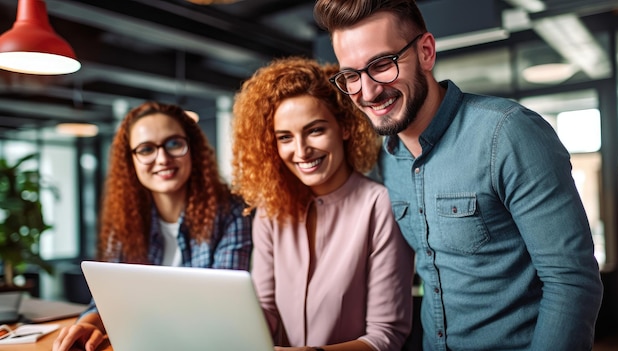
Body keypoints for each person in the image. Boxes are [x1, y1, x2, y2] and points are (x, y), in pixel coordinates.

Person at [313, 1, 604, 350]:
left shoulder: (508, 134)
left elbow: (572, 282)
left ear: (425, 52)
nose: (369, 90)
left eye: (382, 65)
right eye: (352, 75)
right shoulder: (384, 160)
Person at [231, 56, 414, 351]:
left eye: (315, 130)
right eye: (285, 137)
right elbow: (265, 309)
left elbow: (386, 335)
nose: (301, 151)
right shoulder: (270, 210)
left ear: (344, 127)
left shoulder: (378, 206)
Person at [52, 101, 253, 351]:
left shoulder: (232, 212)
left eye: (174, 144)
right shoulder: (126, 218)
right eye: (146, 149)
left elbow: (225, 308)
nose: (162, 158)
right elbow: (108, 300)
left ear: (193, 149)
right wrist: (89, 324)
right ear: (131, 160)